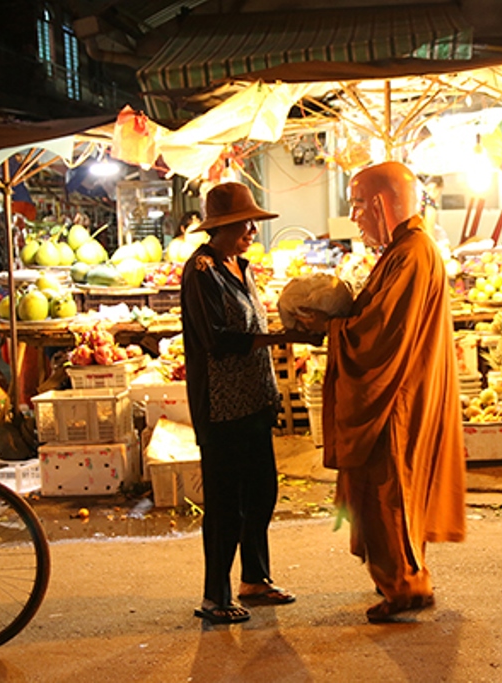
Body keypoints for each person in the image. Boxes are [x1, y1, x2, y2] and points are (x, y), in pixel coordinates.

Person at [299, 161, 466, 623]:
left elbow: (379, 331)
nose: (354, 217)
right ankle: (407, 577)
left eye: (357, 206)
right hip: (403, 390)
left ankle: (405, 588)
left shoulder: (412, 254)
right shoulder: (403, 251)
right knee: (396, 493)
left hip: (395, 396)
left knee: (388, 492)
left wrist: (331, 328)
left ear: (380, 204)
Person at [180, 182, 322, 625]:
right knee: (225, 502)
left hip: (256, 401)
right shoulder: (201, 271)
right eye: (246, 224)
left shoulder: (241, 268)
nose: (252, 233)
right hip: (221, 407)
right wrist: (284, 337)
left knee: (262, 493)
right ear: (222, 225)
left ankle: (254, 580)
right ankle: (214, 595)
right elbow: (218, 340)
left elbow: (254, 324)